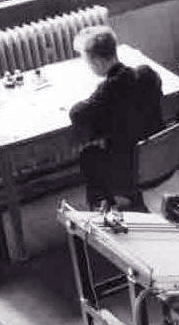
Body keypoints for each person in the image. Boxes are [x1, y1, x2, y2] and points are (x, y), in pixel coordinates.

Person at [68, 26, 163, 210]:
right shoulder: (147, 74)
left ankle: (103, 210)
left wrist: (96, 94)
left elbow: (77, 113)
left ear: (96, 61)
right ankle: (133, 201)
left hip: (129, 168)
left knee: (89, 156)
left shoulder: (109, 90)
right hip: (158, 159)